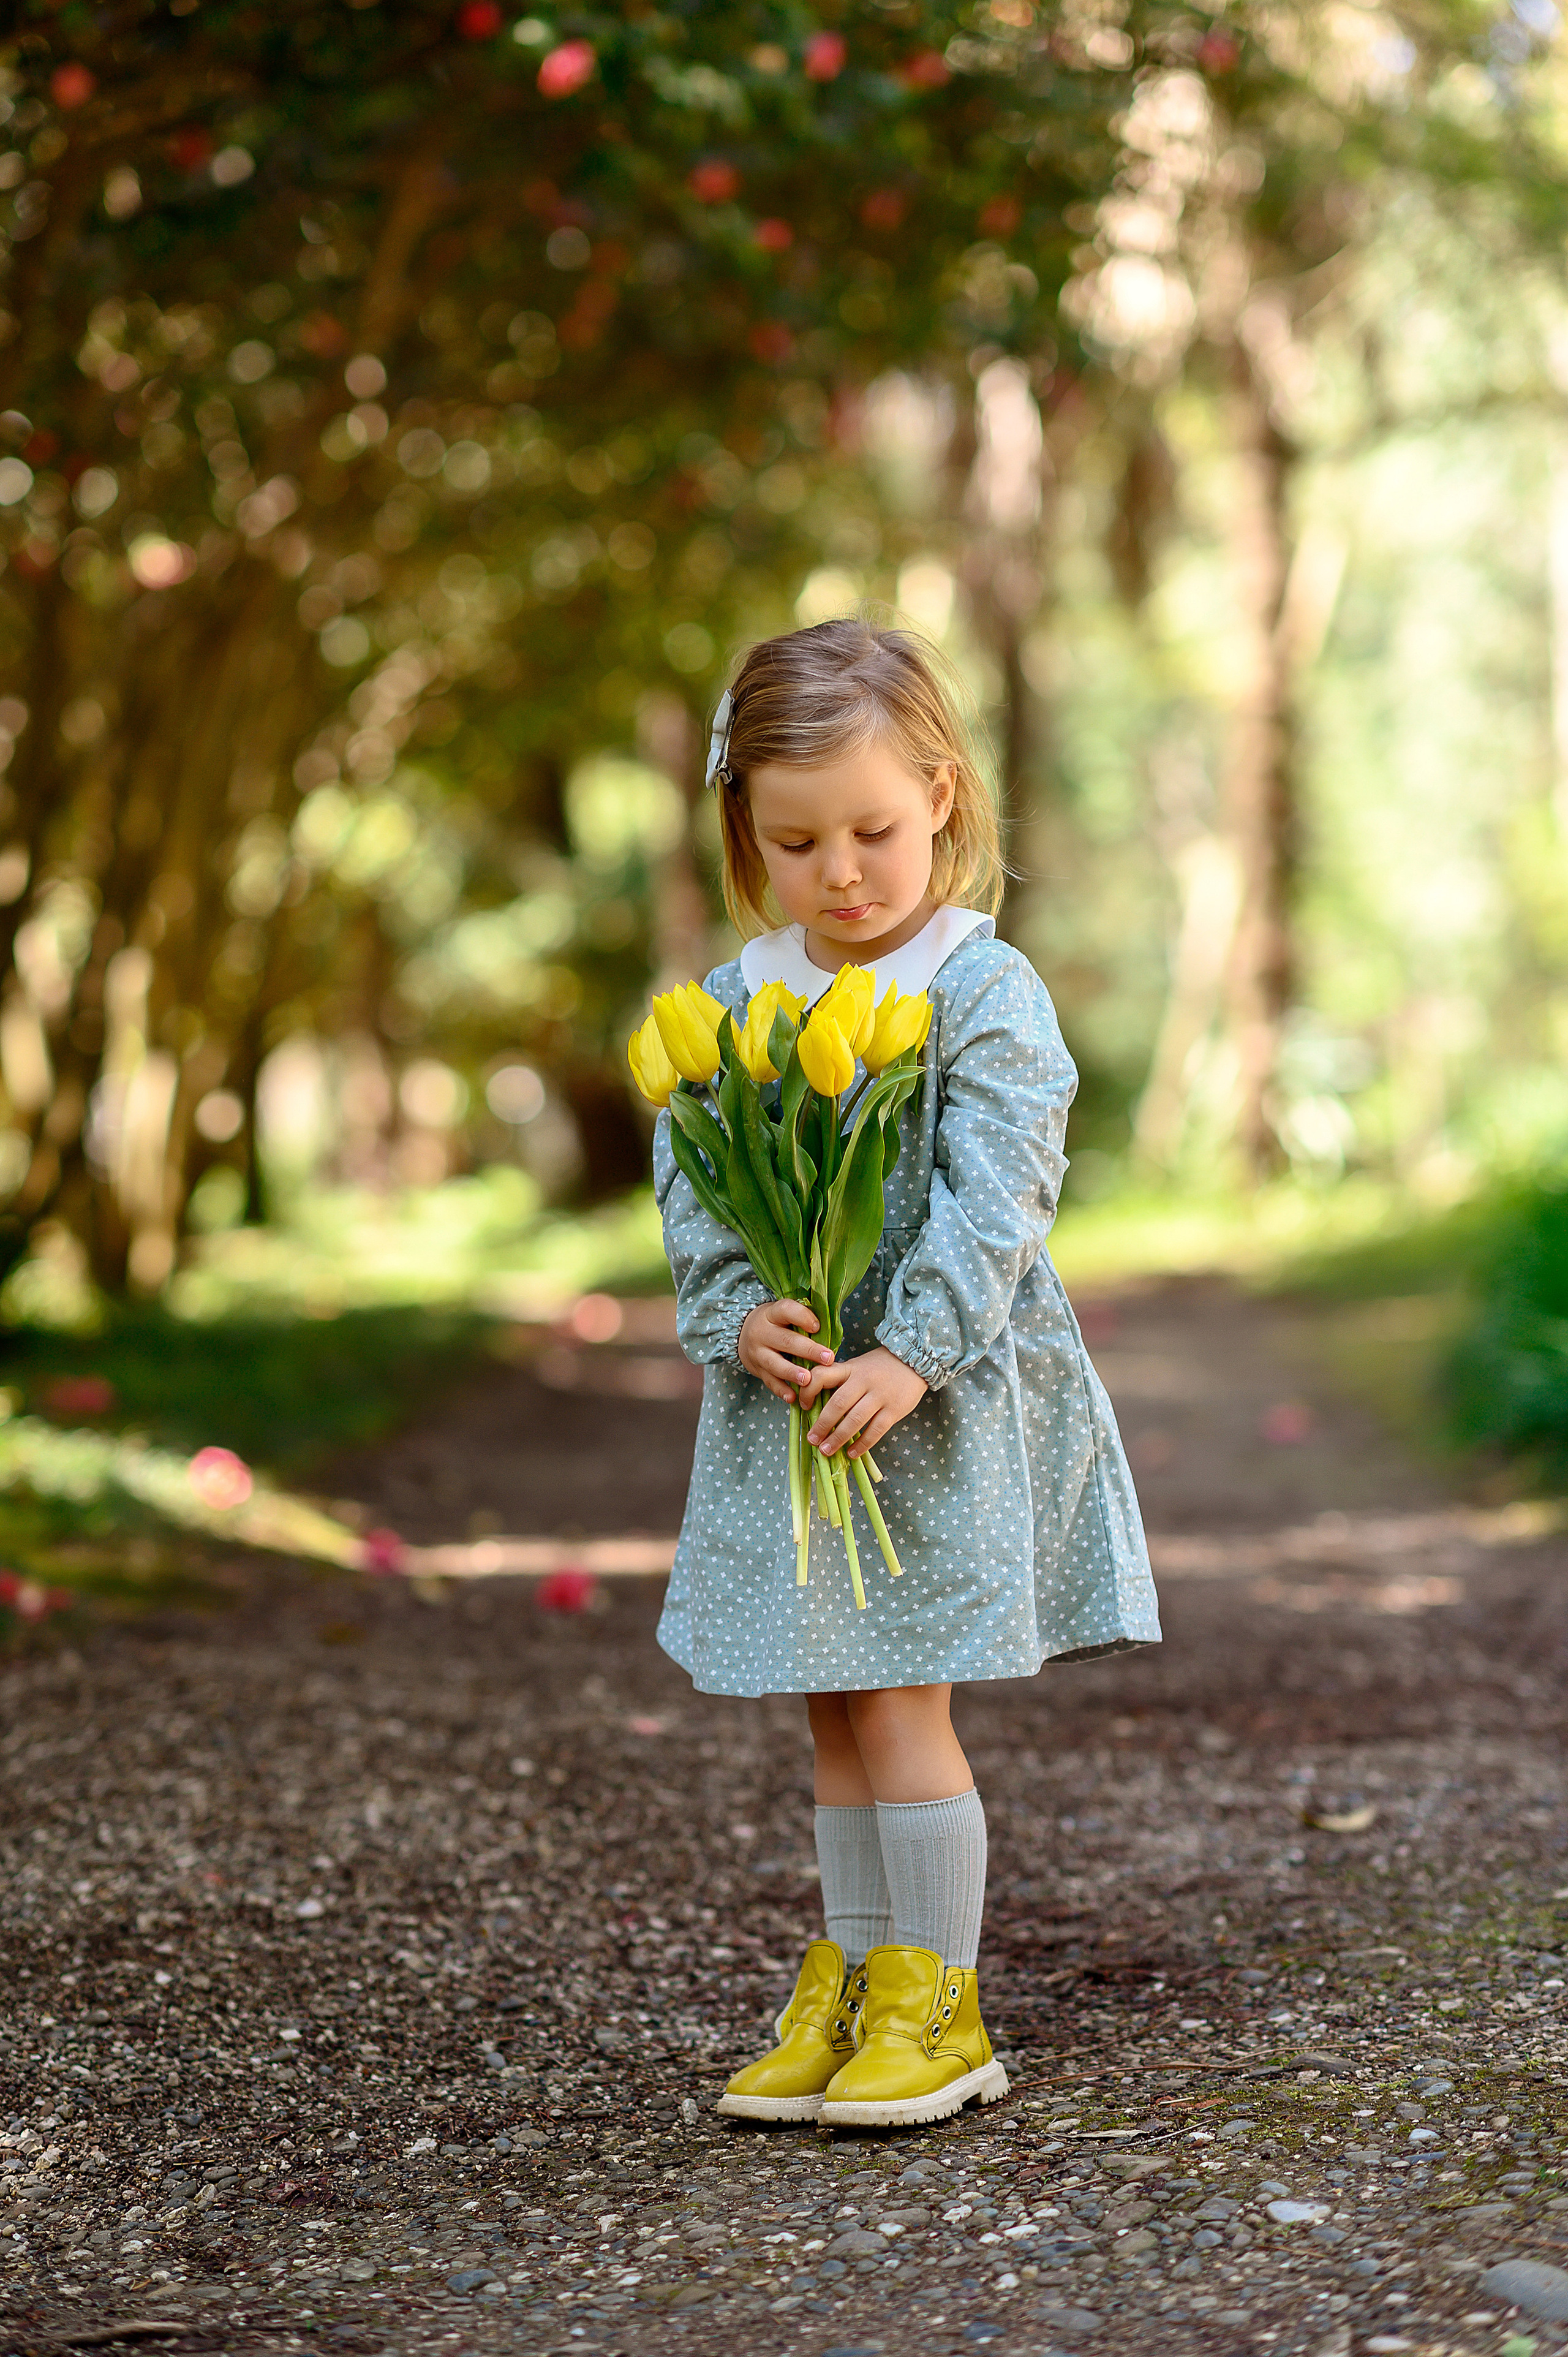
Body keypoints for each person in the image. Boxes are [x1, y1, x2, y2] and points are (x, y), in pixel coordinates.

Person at [652, 615, 1159, 2129]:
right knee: (828, 1700)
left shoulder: (980, 987)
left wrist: (911, 1350)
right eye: (795, 840)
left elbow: (997, 1193)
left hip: (924, 1399)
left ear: (940, 793)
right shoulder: (736, 1003)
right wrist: (734, 1311)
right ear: (744, 830)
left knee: (896, 1701)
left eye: (872, 829)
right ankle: (861, 1974)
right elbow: (693, 1181)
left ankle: (941, 2005)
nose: (842, 873)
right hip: (800, 1398)